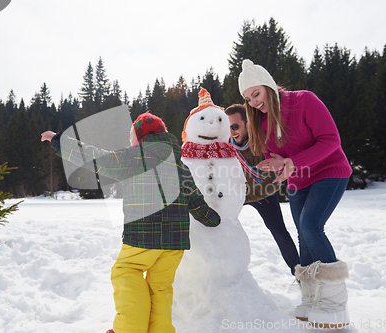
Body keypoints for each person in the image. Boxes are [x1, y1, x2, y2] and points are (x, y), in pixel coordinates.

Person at [41, 111, 221, 333]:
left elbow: (95, 158)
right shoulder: (180, 166)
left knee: (126, 272)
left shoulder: (135, 158)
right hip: (175, 244)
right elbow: (196, 201)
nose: (129, 140)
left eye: (131, 136)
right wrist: (213, 220)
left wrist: (59, 141)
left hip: (143, 237)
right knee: (160, 288)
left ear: (140, 137)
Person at [238, 59, 353, 328]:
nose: (253, 102)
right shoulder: (261, 123)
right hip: (298, 181)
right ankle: (313, 298)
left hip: (330, 171)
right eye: (248, 98)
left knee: (311, 226)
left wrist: (292, 162)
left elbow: (331, 140)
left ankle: (335, 302)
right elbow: (272, 155)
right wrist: (275, 163)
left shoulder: (304, 101)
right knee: (302, 234)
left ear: (268, 86)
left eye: (256, 94)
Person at [224, 103, 299, 276]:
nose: (231, 132)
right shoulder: (226, 146)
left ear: (247, 124)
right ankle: (222, 275)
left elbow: (275, 176)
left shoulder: (263, 142)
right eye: (227, 127)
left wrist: (250, 195)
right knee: (220, 227)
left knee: (279, 232)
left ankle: (299, 273)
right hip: (238, 196)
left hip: (262, 196)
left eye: (235, 126)